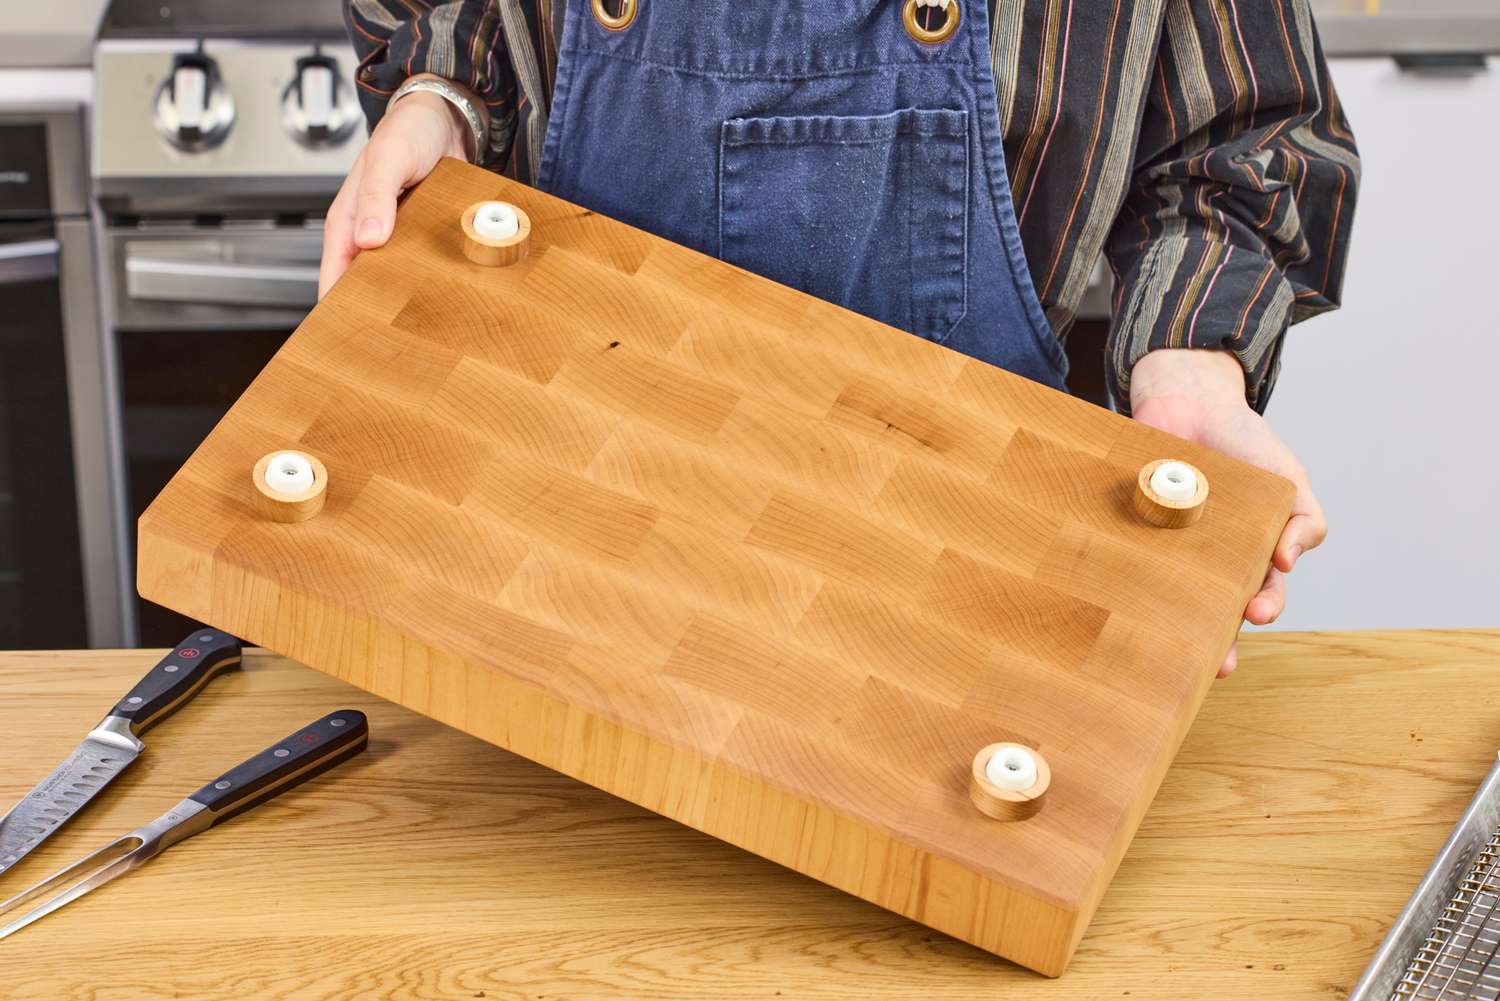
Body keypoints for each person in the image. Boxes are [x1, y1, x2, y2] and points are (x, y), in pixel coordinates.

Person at [320, 0, 1358, 677]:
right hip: (555, 584)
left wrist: (1192, 364)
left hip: (967, 608)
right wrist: (440, 94)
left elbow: (1245, 134)